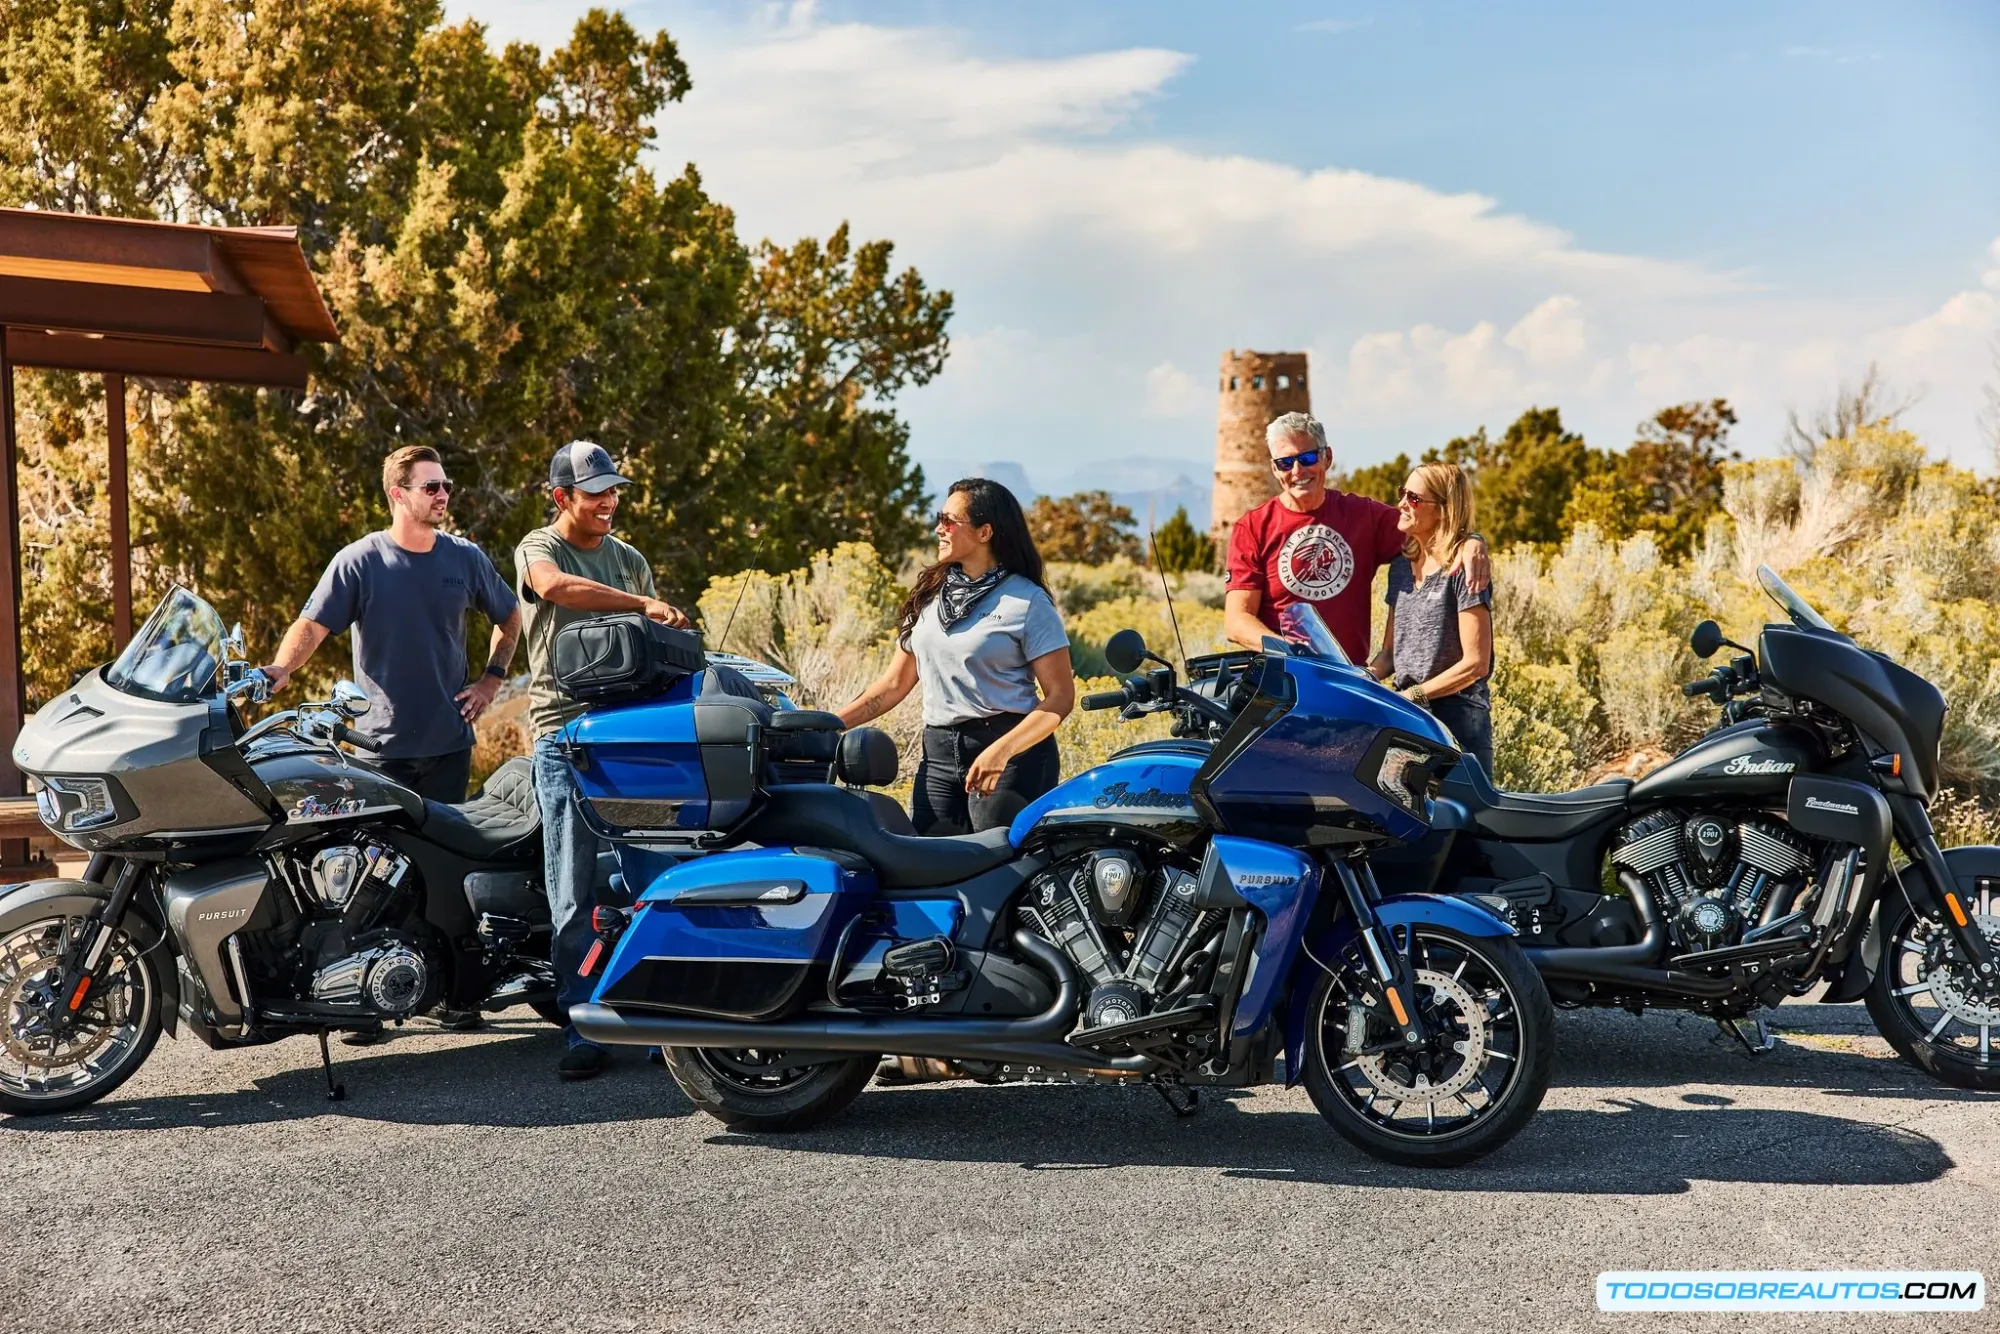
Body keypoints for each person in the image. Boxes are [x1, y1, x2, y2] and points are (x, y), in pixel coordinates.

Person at [515, 440, 691, 1082]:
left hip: (629, 742)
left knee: (652, 877)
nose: (609, 501)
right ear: (563, 498)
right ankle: (581, 1023)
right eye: (595, 493)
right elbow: (554, 588)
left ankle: (653, 1016)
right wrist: (641, 604)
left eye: (614, 490)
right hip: (565, 740)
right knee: (573, 888)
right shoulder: (540, 547)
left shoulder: (630, 559)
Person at [263, 445, 521, 803]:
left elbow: (510, 615)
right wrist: (282, 666)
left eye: (446, 485)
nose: (443, 494)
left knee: (446, 858)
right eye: (431, 488)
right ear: (398, 494)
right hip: (380, 751)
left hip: (450, 750)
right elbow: (312, 625)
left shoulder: (466, 558)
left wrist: (492, 680)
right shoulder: (358, 561)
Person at [838, 478, 1074, 836]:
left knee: (1001, 876)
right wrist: (824, 726)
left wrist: (1002, 752)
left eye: (949, 520)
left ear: (985, 532)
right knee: (931, 872)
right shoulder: (927, 596)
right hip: (938, 758)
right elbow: (892, 686)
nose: (938, 529)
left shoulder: (1028, 603)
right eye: (939, 518)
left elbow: (1060, 698)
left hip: (1011, 758)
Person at [1223, 412, 1489, 663]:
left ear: (1327, 457)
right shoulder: (1253, 527)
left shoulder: (1365, 516)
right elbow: (1237, 621)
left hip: (1348, 683)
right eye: (1285, 462)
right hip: (1282, 683)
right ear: (1274, 468)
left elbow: (1431, 528)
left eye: (1306, 459)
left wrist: (1472, 540)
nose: (1296, 471)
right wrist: (1293, 653)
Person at [1369, 462, 1495, 777]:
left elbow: (1476, 664)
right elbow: (1390, 654)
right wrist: (1366, 678)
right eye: (1402, 493)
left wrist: (1414, 695)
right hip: (1408, 719)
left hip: (1457, 719)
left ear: (1443, 510)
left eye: (1413, 498)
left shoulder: (1464, 566)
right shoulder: (1400, 567)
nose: (1401, 504)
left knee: (1463, 822)